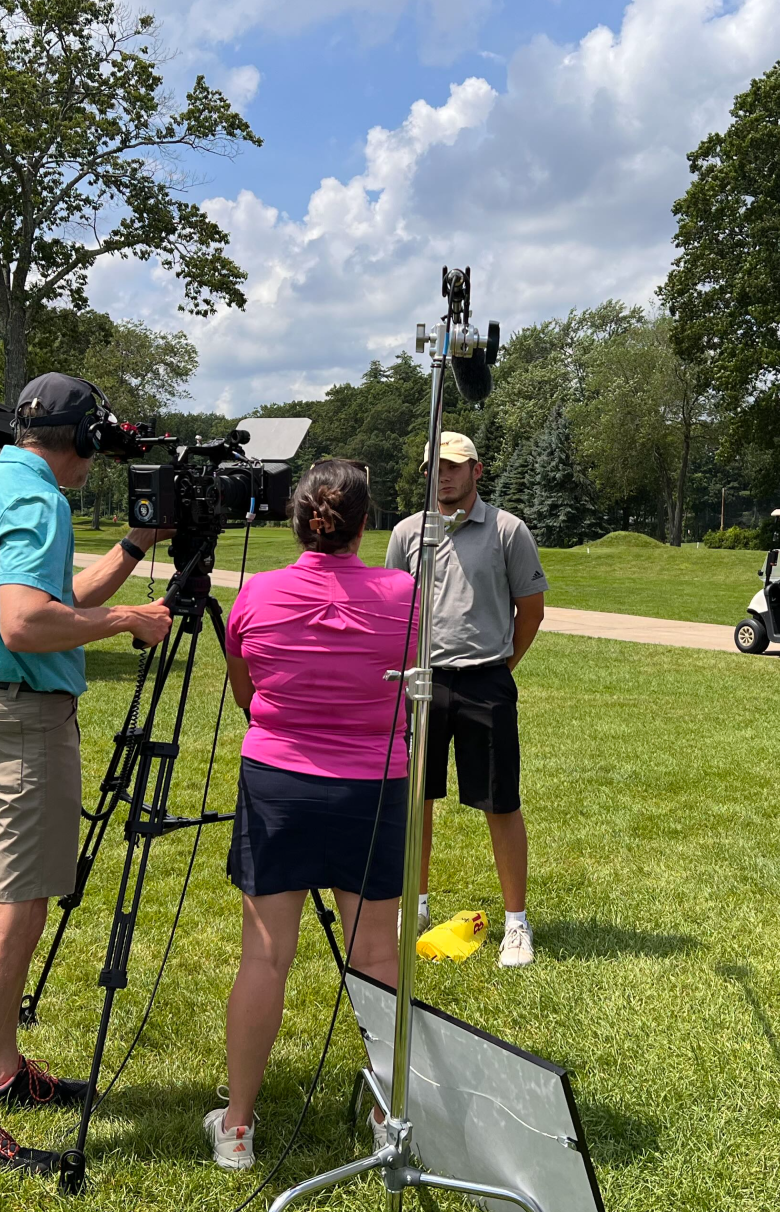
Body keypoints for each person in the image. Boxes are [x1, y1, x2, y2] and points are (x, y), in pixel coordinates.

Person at [0, 373, 172, 1178]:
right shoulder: (40, 503)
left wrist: (133, 551)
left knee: (19, 901)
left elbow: (51, 599)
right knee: (16, 912)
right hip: (24, 719)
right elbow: (28, 622)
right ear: (82, 439)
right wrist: (129, 620)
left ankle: (1, 1070)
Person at [206, 459, 416, 1170]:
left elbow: (245, 687)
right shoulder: (405, 594)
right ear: (365, 523)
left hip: (279, 785)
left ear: (298, 520)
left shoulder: (256, 594)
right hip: (372, 790)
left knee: (265, 956)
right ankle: (393, 1112)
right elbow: (417, 686)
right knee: (378, 956)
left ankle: (237, 1126)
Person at [385, 432, 548, 969]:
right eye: (436, 467)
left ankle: (516, 925)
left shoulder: (507, 530)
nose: (445, 476)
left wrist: (503, 666)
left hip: (486, 682)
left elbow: (532, 611)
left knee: (501, 803)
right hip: (423, 682)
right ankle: (417, 905)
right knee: (417, 801)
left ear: (477, 471)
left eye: (455, 466)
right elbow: (394, 608)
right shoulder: (409, 532)